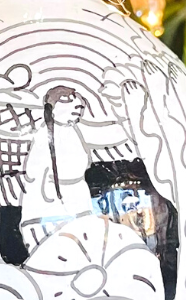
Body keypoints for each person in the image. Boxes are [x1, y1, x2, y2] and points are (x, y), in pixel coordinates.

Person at [20, 86, 130, 252]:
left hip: (78, 198)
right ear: (53, 108)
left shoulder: (75, 131)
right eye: (69, 102)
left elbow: (106, 134)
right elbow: (35, 176)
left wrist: (129, 124)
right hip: (52, 205)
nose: (77, 107)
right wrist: (51, 202)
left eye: (79, 105)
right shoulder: (43, 137)